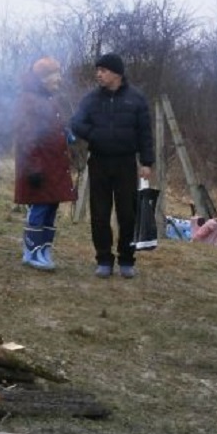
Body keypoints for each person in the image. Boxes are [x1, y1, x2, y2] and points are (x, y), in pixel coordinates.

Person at [70, 53, 154, 279]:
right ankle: (104, 259)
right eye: (97, 70)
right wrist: (93, 135)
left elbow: (145, 132)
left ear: (117, 73)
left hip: (126, 163)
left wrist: (147, 162)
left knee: (127, 214)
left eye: (103, 70)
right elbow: (76, 123)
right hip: (98, 161)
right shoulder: (91, 99)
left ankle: (127, 260)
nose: (98, 74)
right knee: (99, 214)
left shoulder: (136, 99)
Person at [13, 57, 77, 271]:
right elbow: (25, 137)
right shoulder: (28, 101)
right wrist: (32, 167)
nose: (59, 79)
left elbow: (50, 127)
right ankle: (31, 251)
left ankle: (44, 249)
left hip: (54, 164)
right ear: (42, 78)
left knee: (51, 207)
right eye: (55, 75)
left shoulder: (50, 99)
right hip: (39, 167)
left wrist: (65, 133)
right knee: (39, 208)